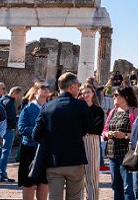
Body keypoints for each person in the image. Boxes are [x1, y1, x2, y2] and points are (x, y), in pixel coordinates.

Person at [32, 72, 99, 200]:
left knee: (54, 197)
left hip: (54, 161)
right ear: (72, 86)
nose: (79, 88)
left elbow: (36, 135)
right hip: (75, 160)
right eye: (78, 85)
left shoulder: (47, 106)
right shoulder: (80, 105)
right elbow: (91, 128)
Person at [103, 86, 138, 200]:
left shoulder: (134, 111)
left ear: (125, 97)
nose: (114, 97)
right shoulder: (113, 111)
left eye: (116, 95)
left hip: (127, 154)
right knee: (116, 186)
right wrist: (107, 134)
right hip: (112, 154)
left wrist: (124, 135)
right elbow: (104, 130)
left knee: (128, 187)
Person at [17, 81, 50, 200]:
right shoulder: (28, 108)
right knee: (29, 181)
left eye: (47, 87)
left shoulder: (51, 107)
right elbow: (21, 128)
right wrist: (39, 131)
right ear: (36, 90)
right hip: (29, 148)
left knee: (44, 181)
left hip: (45, 149)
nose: (46, 89)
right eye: (43, 87)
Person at [78, 82, 105, 200]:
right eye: (83, 92)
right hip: (78, 142)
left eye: (88, 92)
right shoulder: (77, 109)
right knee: (78, 177)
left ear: (93, 93)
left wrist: (83, 128)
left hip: (91, 141)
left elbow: (97, 129)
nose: (85, 94)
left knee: (92, 176)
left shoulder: (98, 110)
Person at [0, 86, 22, 183]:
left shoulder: (2, 100)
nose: (18, 98)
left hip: (1, 129)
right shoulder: (9, 102)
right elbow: (11, 117)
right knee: (5, 152)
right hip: (8, 129)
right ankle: (2, 174)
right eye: (18, 95)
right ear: (14, 93)